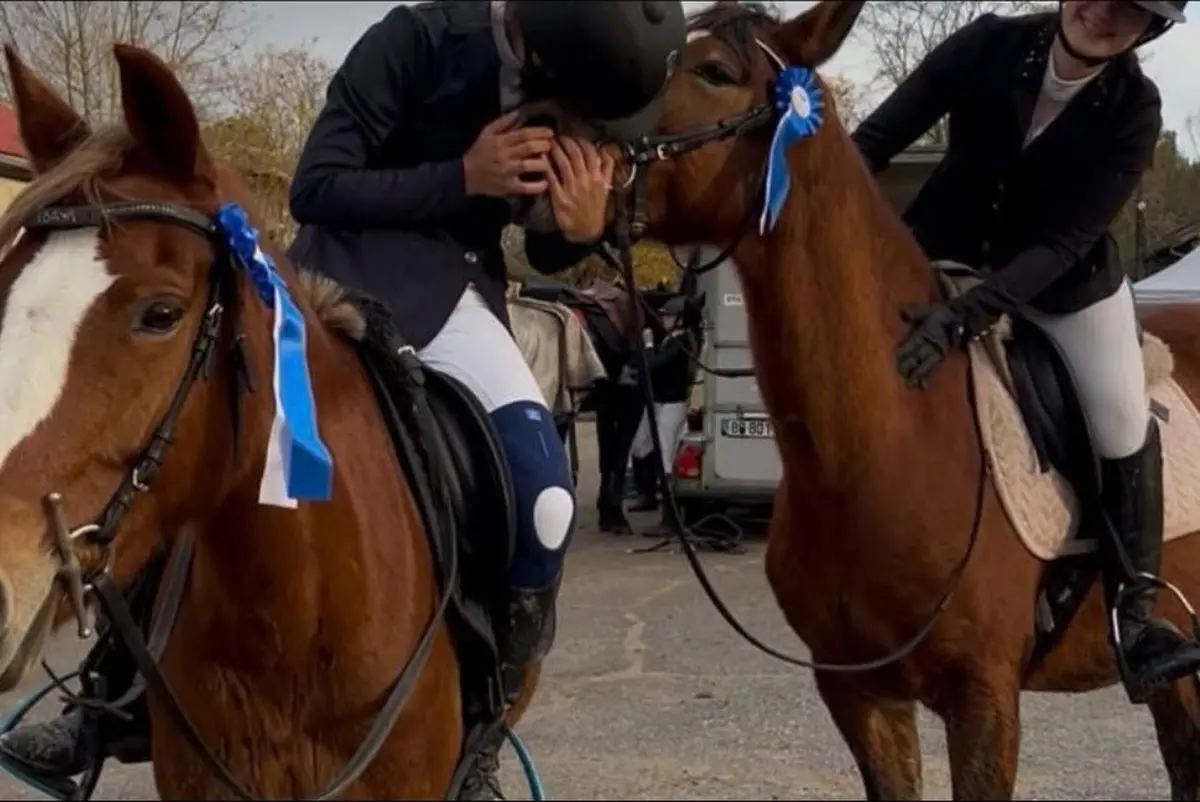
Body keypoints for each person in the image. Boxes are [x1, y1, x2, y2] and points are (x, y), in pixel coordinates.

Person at [0, 0, 687, 787]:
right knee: (197, 442)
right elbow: (318, 187)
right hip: (331, 285)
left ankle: (482, 724)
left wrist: (581, 225)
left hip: (456, 300)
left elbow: (541, 242)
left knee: (546, 502)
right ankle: (107, 696)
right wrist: (462, 176)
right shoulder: (415, 40)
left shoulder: (575, 77)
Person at [851, 0, 1199, 703]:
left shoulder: (1135, 108)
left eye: (1133, 11)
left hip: (1065, 290)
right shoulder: (989, 44)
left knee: (1120, 414)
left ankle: (1135, 611)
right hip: (939, 255)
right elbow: (876, 141)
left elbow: (1064, 243)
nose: (1105, 11)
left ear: (1150, 31)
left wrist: (963, 318)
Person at [628, 295, 700, 538]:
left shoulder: (681, 344)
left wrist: (647, 345)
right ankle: (647, 494)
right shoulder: (670, 340)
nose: (664, 319)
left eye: (669, 315)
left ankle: (670, 518)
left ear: (680, 319)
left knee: (665, 457)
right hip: (658, 402)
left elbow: (654, 365)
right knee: (640, 446)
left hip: (671, 405)